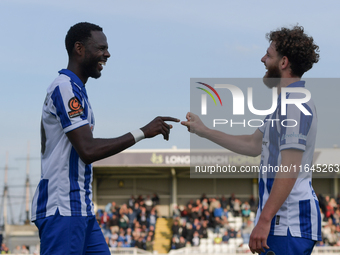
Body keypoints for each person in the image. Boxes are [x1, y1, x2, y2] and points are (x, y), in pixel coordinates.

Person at [31, 22, 179, 255]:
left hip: (81, 209)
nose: (107, 54)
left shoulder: (77, 90)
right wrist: (142, 132)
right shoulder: (64, 87)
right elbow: (87, 150)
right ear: (79, 49)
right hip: (63, 209)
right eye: (101, 48)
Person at [181, 26, 321, 254]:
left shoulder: (294, 103)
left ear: (283, 62)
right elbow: (253, 144)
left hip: (288, 223)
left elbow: (290, 167)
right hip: (283, 222)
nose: (263, 59)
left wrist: (264, 220)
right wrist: (203, 130)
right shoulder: (284, 104)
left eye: (268, 55)